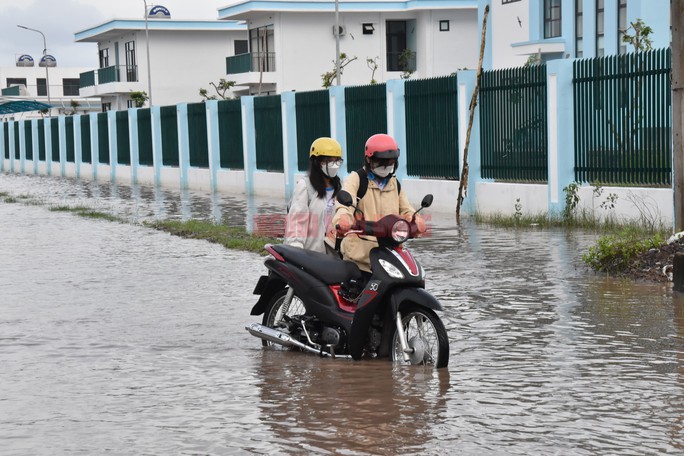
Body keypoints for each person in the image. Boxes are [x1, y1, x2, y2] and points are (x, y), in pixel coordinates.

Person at [332, 133, 426, 273]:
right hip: (360, 258)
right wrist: (344, 218)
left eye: (390, 162)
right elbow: (344, 205)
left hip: (390, 254)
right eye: (380, 162)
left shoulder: (394, 184)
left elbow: (406, 209)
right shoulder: (357, 179)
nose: (385, 166)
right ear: (369, 160)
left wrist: (415, 219)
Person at [284, 137, 343, 256]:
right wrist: (296, 252)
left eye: (337, 161)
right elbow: (297, 223)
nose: (334, 165)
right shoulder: (305, 187)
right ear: (317, 162)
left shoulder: (340, 188)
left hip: (333, 256)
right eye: (329, 161)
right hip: (309, 255)